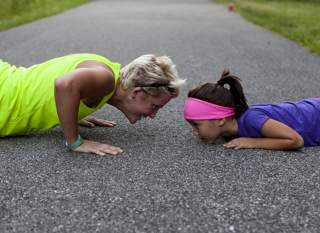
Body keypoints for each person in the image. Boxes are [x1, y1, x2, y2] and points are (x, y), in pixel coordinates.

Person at [0, 53, 185, 155]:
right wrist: (74, 141)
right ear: (136, 92)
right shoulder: (106, 79)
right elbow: (64, 84)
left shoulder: (106, 70)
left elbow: (60, 83)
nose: (153, 115)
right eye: (155, 106)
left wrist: (72, 113)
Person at [183, 69, 320, 150]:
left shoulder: (251, 119)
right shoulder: (230, 128)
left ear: (221, 120)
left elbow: (296, 141)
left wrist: (252, 142)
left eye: (197, 125)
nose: (194, 131)